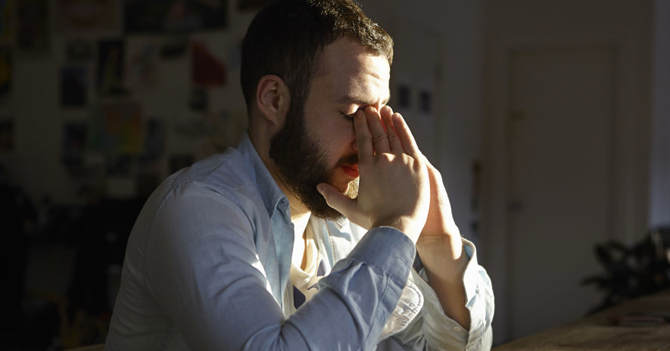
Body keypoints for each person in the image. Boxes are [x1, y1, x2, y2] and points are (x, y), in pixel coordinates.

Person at [104, 0, 494, 350]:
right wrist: (395, 229)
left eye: (380, 114)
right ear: (273, 100)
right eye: (353, 114)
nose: (371, 140)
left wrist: (438, 245)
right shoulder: (195, 208)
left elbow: (453, 347)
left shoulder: (346, 218)